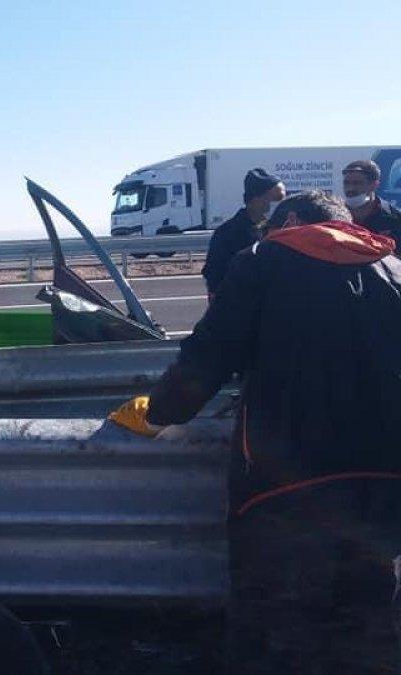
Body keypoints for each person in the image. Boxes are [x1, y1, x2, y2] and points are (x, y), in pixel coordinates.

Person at [109, 190, 401, 673]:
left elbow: (209, 357)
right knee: (369, 622)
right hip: (386, 482)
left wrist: (158, 413)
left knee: (273, 627)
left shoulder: (264, 260)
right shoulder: (393, 268)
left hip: (285, 482)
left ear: (289, 220)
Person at [201, 168, 285, 297]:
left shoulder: (281, 230)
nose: (281, 206)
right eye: (277, 200)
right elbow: (214, 279)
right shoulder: (227, 234)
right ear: (255, 199)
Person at [343, 159, 401, 243]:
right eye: (346, 183)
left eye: (357, 183)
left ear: (374, 185)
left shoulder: (396, 219)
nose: (350, 188)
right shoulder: (333, 216)